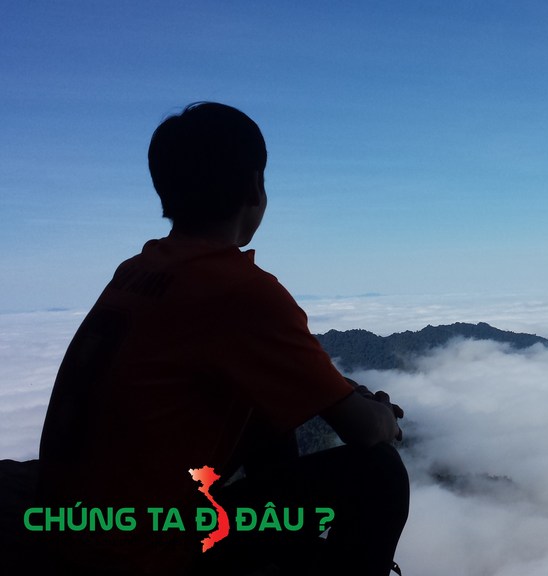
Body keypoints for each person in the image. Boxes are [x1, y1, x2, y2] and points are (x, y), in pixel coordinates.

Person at [37, 102, 408, 575]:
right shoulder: (240, 290)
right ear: (255, 187)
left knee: (264, 404)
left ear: (165, 192)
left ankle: (286, 555)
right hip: (139, 551)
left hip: (71, 527)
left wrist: (332, 391)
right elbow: (366, 431)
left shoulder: (138, 270)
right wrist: (382, 416)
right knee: (380, 475)